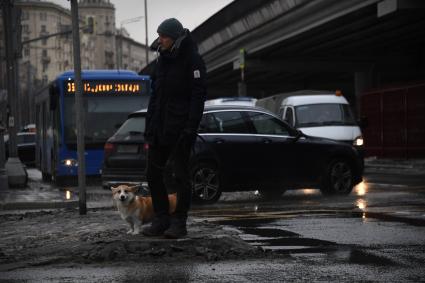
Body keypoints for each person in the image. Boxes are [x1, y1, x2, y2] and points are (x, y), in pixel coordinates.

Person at [143, 18, 207, 239]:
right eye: (159, 36)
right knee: (153, 174)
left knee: (180, 176)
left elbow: (198, 97)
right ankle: (161, 218)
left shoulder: (193, 60)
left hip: (180, 130)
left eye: (164, 37)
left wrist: (190, 128)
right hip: (160, 128)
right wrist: (149, 125)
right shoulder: (162, 61)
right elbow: (155, 97)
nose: (160, 40)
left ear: (175, 37)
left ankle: (179, 222)